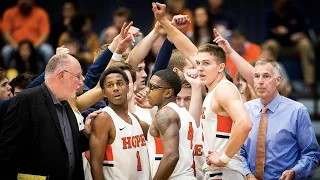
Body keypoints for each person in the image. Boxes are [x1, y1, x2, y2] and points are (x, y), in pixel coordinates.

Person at [152, 3, 252, 179]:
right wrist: (164, 21)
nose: (200, 68)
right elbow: (186, 46)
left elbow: (245, 123)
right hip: (216, 169)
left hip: (225, 170)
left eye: (206, 64)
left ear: (221, 67)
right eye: (198, 64)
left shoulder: (224, 90)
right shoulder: (213, 87)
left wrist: (223, 158)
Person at [213, 29, 320, 180]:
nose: (260, 81)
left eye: (266, 76)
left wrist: (295, 171)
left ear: (278, 80)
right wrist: (247, 173)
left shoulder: (297, 111)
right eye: (256, 76)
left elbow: (312, 154)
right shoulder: (245, 110)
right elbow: (240, 151)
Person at [0, 53, 92, 180]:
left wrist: (86, 134)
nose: (82, 81)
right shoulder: (26, 100)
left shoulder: (66, 103)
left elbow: (68, 147)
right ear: (61, 76)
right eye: (77, 76)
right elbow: (8, 154)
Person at [89, 67, 150, 180]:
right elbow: (95, 164)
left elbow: (159, 133)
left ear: (127, 88)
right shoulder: (104, 119)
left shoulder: (135, 119)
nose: (115, 88)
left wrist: (153, 105)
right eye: (110, 85)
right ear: (104, 93)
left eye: (119, 84)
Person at [147, 69, 196, 180]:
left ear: (168, 93)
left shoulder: (165, 113)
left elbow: (171, 156)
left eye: (153, 87)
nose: (148, 91)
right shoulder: (185, 114)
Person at [1, 0, 54, 66]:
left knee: (48, 51)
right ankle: (4, 75)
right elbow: (6, 33)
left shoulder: (41, 13)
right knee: (5, 51)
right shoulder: (9, 13)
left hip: (36, 46)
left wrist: (31, 48)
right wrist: (18, 48)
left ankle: (49, 76)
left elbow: (45, 34)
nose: (24, 2)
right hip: (15, 46)